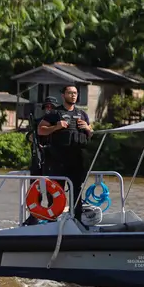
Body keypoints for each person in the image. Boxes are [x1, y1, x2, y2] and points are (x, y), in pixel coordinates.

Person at [37, 86, 93, 220]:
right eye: (70, 93)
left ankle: (77, 220)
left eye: (75, 93)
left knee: (77, 190)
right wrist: (56, 126)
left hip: (77, 160)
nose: (73, 95)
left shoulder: (82, 114)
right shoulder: (55, 113)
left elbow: (90, 133)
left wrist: (87, 128)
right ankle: (53, 220)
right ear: (63, 95)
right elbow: (40, 130)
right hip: (59, 160)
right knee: (57, 190)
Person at [22, 97, 58, 225]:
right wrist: (31, 137)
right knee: (35, 188)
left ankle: (52, 215)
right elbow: (29, 136)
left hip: (52, 160)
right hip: (37, 159)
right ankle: (33, 216)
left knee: (51, 189)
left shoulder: (59, 123)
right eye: (47, 107)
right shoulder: (37, 122)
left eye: (51, 107)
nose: (49, 109)